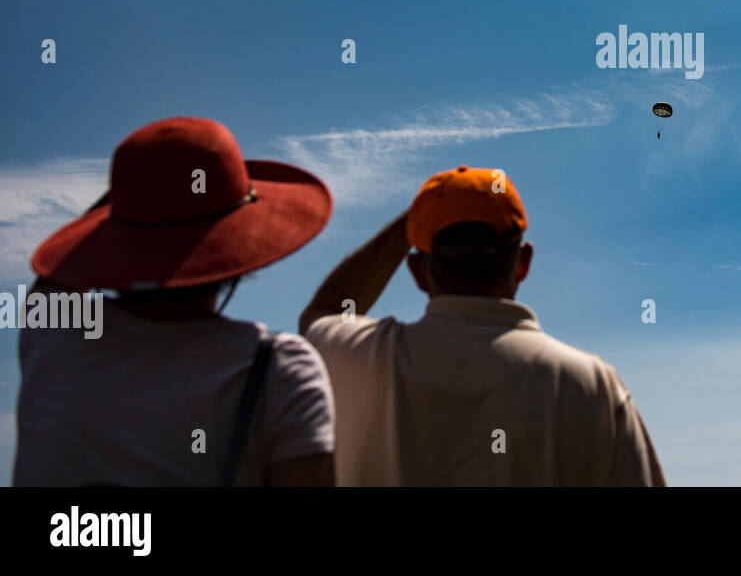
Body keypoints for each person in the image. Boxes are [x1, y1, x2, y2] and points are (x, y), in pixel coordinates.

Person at [13, 116, 336, 486]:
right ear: (239, 238)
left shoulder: (54, 338)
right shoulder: (277, 370)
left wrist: (138, 195)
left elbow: (56, 280)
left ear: (115, 235)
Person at [300, 165, 666, 486]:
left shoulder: (364, 357)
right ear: (523, 262)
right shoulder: (593, 385)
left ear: (418, 272)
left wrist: (419, 216)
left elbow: (325, 311)